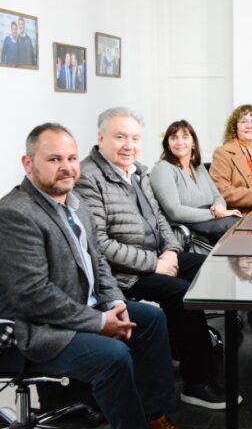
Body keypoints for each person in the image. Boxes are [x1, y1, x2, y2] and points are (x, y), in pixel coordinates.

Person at [0, 123, 178, 429]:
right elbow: (34, 295)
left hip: (86, 306)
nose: (67, 168)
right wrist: (99, 322)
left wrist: (115, 303)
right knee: (113, 355)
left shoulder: (75, 203)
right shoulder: (16, 213)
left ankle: (153, 415)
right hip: (38, 329)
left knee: (151, 321)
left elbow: (97, 261)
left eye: (71, 158)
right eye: (54, 159)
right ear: (28, 164)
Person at [76, 107, 238, 409]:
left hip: (158, 256)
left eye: (135, 138)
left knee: (211, 267)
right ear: (101, 138)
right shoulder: (89, 177)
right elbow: (100, 245)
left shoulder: (137, 170)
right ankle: (196, 380)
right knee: (182, 293)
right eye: (120, 137)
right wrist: (155, 265)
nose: (129, 145)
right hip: (123, 273)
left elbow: (161, 218)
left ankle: (198, 346)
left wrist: (171, 251)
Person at [150, 120, 242, 243]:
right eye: (174, 138)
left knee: (246, 233)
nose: (180, 142)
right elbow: (174, 212)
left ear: (193, 143)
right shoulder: (162, 168)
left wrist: (219, 207)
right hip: (189, 234)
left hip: (211, 227)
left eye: (185, 137)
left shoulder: (198, 167)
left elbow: (217, 196)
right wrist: (215, 214)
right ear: (168, 145)